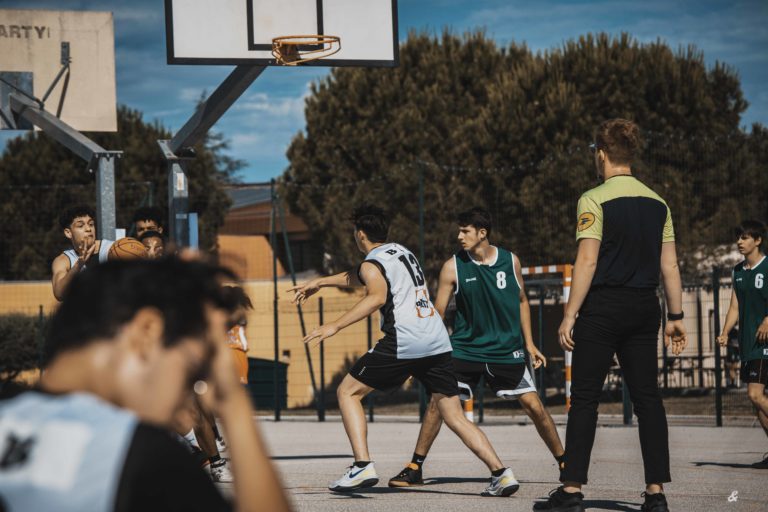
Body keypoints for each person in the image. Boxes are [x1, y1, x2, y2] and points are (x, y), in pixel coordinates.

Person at [0, 258, 291, 512]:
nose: (184, 397)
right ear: (148, 330)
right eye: (189, 370)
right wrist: (234, 406)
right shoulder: (138, 455)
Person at [289, 205, 519, 496]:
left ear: (360, 235)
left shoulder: (372, 264)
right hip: (436, 340)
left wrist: (334, 325)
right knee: (454, 415)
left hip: (405, 338)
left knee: (347, 392)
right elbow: (361, 275)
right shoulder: (399, 251)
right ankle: (501, 474)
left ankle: (362, 465)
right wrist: (321, 282)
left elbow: (376, 296)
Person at [537, 119, 687, 512]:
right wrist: (676, 315)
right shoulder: (659, 202)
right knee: (648, 399)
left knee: (585, 398)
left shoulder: (593, 199)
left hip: (603, 308)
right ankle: (656, 493)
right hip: (645, 306)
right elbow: (670, 266)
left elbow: (587, 261)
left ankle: (572, 491)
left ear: (601, 154)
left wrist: (570, 314)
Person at [388, 207, 564, 488]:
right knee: (438, 403)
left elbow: (521, 301)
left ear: (482, 233)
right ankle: (415, 467)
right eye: (459, 231)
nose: (459, 236)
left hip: (506, 350)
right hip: (464, 350)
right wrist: (421, 353)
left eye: (465, 231)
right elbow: (437, 313)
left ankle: (565, 462)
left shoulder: (511, 261)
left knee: (534, 406)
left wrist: (530, 343)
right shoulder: (452, 266)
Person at [717, 220, 768, 469]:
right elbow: (735, 306)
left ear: (758, 240)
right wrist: (725, 332)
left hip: (765, 343)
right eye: (738, 237)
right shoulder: (737, 271)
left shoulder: (767, 267)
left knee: (755, 394)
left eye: (745, 237)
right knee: (757, 403)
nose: (739, 241)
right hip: (748, 343)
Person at [51, 205, 114, 300]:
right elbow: (59, 294)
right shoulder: (64, 260)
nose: (88, 229)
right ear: (68, 233)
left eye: (91, 224)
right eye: (81, 226)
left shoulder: (112, 249)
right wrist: (79, 265)